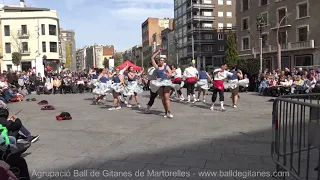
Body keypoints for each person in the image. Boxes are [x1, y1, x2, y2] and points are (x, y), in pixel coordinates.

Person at [150, 49, 177, 118]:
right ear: (158, 61)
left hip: (166, 82)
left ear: (164, 61)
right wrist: (158, 52)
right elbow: (152, 58)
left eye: (162, 60)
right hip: (159, 83)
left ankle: (169, 112)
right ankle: (165, 111)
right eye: (160, 60)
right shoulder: (157, 67)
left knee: (166, 97)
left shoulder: (166, 67)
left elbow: (171, 74)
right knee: (162, 98)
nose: (161, 61)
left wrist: (167, 74)